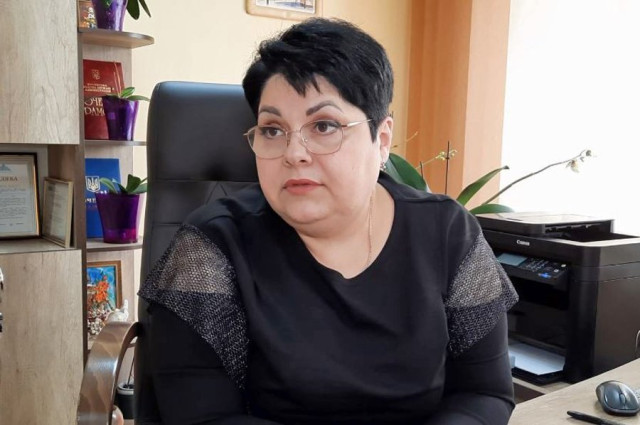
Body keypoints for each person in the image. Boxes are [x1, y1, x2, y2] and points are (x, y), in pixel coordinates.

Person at [139, 17, 518, 425]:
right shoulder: (212, 246)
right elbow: (202, 417)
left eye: (324, 126)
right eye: (272, 130)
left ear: (382, 140)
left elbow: (484, 393)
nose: (293, 153)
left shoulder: (448, 232)